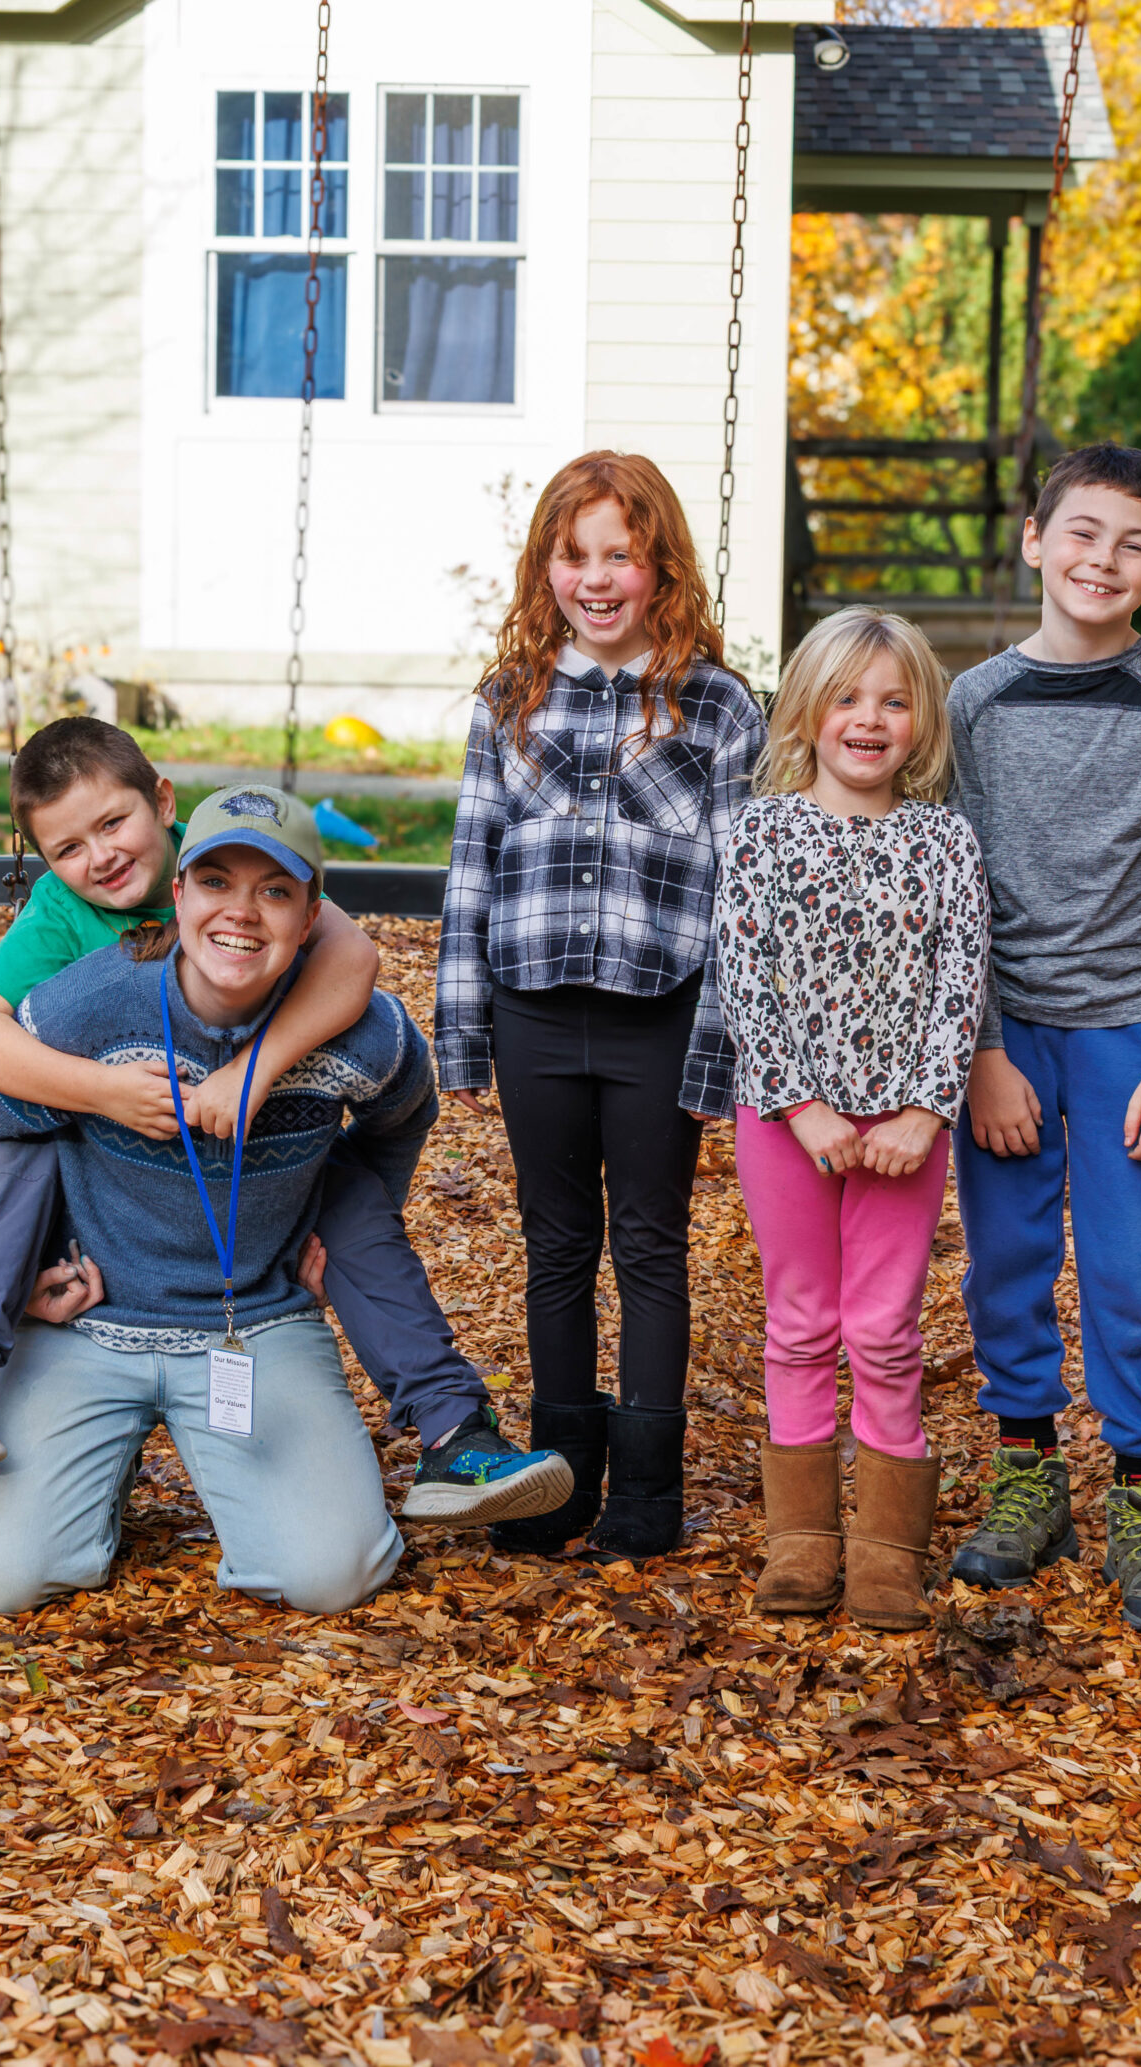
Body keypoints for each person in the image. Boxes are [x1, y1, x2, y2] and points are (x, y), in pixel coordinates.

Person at [0, 731, 572, 1529]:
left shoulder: (230, 858)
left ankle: (456, 1432)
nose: (102, 857)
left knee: (346, 1190)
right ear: (178, 899)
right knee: (16, 1138)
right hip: (98, 1183)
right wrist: (102, 1093)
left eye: (114, 823)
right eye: (68, 847)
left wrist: (257, 1074)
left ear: (165, 806)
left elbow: (353, 953)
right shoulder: (68, 933)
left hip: (261, 1184)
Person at [0, 787, 435, 1615]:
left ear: (314, 915)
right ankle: (97, 1469)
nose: (241, 912)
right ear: (179, 892)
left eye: (275, 890)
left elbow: (406, 1109)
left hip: (253, 1321)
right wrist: (2, 1274)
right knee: (2, 1576)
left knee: (332, 1576)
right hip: (90, 1317)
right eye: (217, 883)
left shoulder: (353, 1025)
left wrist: (354, 1225)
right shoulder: (90, 1002)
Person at [436, 452, 765, 1561]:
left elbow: (738, 887)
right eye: (574, 556)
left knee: (651, 1245)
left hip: (656, 1011)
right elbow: (470, 865)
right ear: (546, 569)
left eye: (618, 555)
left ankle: (647, 1492)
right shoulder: (509, 699)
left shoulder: (715, 707)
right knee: (554, 1243)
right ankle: (562, 1480)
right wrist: (462, 1032)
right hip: (533, 1005)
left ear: (658, 566)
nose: (596, 578)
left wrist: (719, 1051)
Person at [943, 442, 1141, 1637]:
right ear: (1033, 540)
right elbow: (953, 888)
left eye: (1130, 544)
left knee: (1129, 1270)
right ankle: (1027, 1475)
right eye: (1082, 534)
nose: (1101, 560)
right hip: (1007, 1038)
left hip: (1126, 1036)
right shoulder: (972, 704)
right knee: (1005, 1264)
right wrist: (983, 1050)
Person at [714, 608, 989, 1626]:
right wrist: (803, 1106)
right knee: (799, 1323)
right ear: (806, 711)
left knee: (881, 1329)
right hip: (790, 1124)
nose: (869, 720)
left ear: (920, 720)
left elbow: (960, 979)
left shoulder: (943, 843)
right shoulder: (759, 832)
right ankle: (799, 1543)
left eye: (893, 699)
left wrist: (923, 1108)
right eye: (847, 698)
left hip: (901, 1132)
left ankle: (885, 1549)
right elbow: (748, 978)